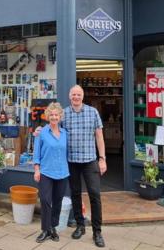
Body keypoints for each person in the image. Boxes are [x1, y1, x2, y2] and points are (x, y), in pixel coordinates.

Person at [62, 85, 107, 248]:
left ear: (82, 96)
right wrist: (40, 131)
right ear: (69, 96)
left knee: (95, 195)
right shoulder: (64, 114)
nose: (76, 97)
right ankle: (80, 226)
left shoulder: (93, 112)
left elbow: (99, 137)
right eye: (73, 94)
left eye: (78, 94)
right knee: (75, 194)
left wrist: (102, 159)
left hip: (90, 161)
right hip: (72, 161)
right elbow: (55, 132)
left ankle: (97, 232)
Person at [33, 102, 69, 243]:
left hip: (62, 173)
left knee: (57, 202)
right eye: (52, 114)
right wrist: (37, 170)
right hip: (46, 172)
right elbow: (36, 154)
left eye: (56, 115)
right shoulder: (41, 133)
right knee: (46, 201)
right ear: (48, 116)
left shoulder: (65, 134)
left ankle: (53, 228)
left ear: (60, 116)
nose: (54, 117)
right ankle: (45, 230)